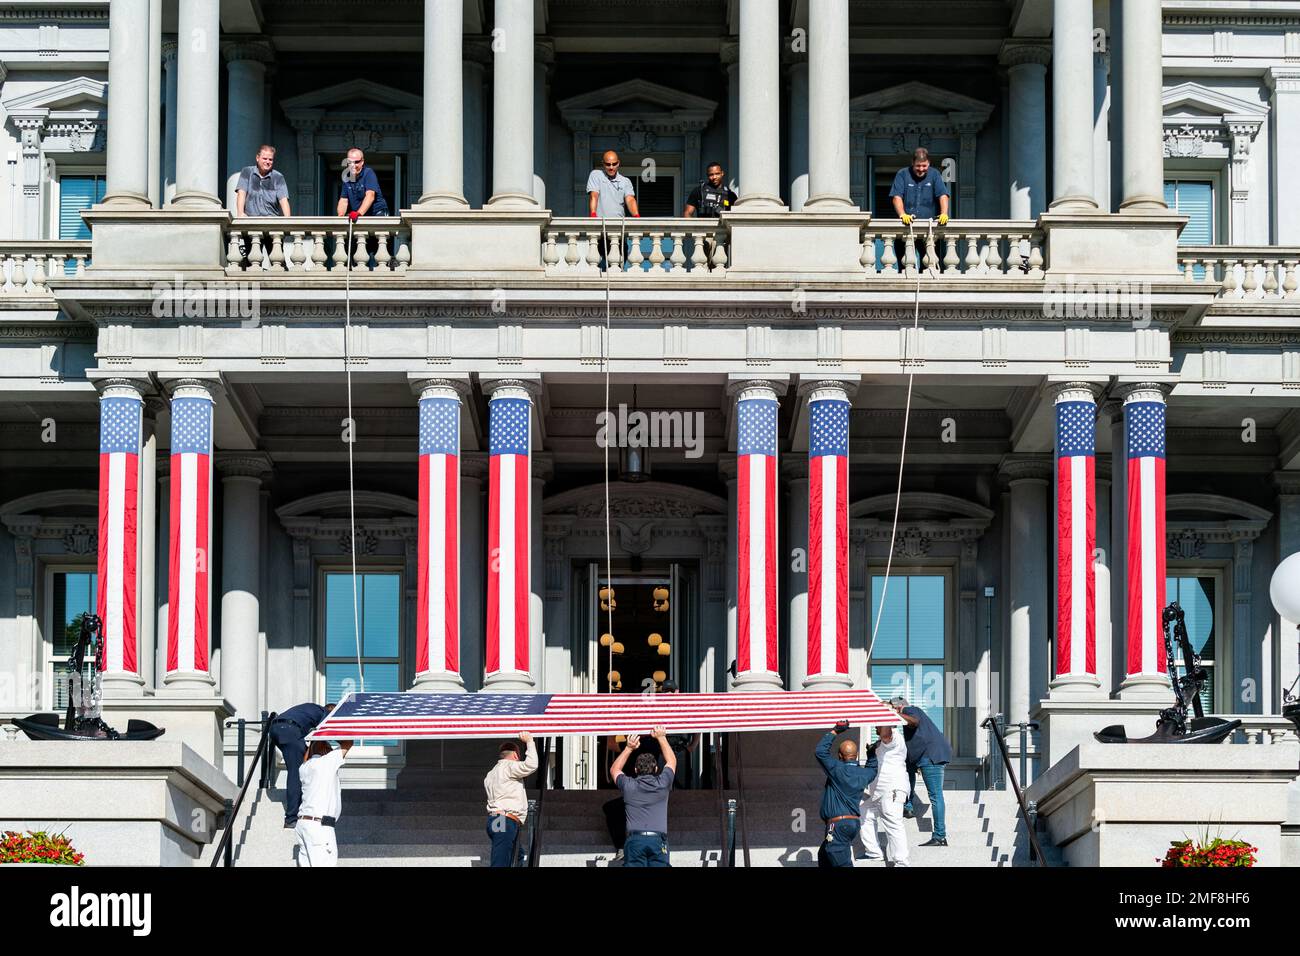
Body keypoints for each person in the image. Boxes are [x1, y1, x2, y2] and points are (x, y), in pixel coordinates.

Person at [814, 721, 878, 867]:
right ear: (856, 756)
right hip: (852, 824)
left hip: (838, 824)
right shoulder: (864, 774)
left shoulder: (837, 769)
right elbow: (873, 769)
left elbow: (820, 752)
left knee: (842, 863)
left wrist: (835, 731)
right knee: (824, 856)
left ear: (839, 756)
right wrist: (871, 754)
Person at [610, 726, 676, 866]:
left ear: (635, 770)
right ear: (656, 769)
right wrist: (661, 737)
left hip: (635, 840)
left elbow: (614, 769)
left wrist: (629, 748)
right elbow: (671, 762)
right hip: (658, 840)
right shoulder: (663, 784)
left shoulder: (629, 786)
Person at [891, 696, 952, 847]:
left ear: (898, 707)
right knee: (907, 768)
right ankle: (909, 806)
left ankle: (940, 836)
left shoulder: (910, 710)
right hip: (927, 756)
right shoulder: (910, 716)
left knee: (936, 796)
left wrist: (895, 712)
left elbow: (915, 721)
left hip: (930, 757)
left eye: (893, 709)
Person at [269, 702, 334, 827]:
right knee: (297, 773)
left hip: (276, 729)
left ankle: (301, 805)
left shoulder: (309, 709)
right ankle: (291, 818)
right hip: (290, 730)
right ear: (331, 710)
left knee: (303, 764)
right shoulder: (325, 713)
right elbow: (323, 735)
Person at [294, 737, 353, 867]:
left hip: (303, 824)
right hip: (319, 826)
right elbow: (349, 742)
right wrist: (329, 733)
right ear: (324, 748)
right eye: (329, 746)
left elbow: (307, 755)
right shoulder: (326, 762)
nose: (332, 749)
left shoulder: (304, 767)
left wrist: (316, 739)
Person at [483, 731, 538, 867]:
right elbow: (531, 765)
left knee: (517, 855)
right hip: (504, 819)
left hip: (497, 819)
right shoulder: (509, 766)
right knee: (500, 862)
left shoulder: (491, 773)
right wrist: (530, 742)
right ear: (515, 755)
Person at [859, 724, 910, 866]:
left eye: (878, 725)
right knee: (864, 811)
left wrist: (885, 717)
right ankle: (873, 852)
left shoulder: (895, 738)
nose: (876, 727)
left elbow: (886, 735)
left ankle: (902, 862)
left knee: (893, 824)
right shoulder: (881, 743)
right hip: (878, 793)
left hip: (891, 790)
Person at [888, 147, 950, 227]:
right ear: (912, 163)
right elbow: (897, 197)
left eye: (924, 166)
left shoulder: (935, 174)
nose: (921, 169)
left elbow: (943, 195)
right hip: (907, 225)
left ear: (929, 163)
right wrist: (902, 214)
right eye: (918, 166)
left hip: (930, 226)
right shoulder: (902, 174)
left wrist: (944, 213)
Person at [659, 680, 698, 789]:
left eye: (671, 691)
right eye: (666, 691)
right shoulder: (657, 709)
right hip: (663, 750)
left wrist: (693, 745)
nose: (669, 694)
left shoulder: (685, 708)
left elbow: (697, 725)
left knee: (682, 784)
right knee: (662, 784)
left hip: (681, 751)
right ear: (662, 692)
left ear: (677, 691)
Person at [235, 145, 291, 218]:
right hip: (250, 220)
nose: (267, 162)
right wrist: (240, 214)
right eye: (265, 159)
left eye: (270, 159)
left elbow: (284, 200)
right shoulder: (247, 172)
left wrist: (287, 220)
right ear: (257, 158)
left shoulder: (278, 177)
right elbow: (241, 194)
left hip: (272, 221)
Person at [337, 147, 390, 219]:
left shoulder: (368, 173)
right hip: (361, 215)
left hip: (377, 212)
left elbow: (370, 195)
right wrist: (340, 217)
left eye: (356, 162)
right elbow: (343, 200)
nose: (353, 165)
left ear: (362, 162)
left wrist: (358, 213)